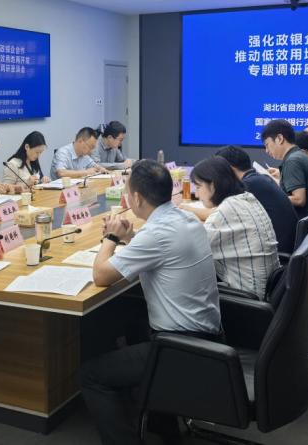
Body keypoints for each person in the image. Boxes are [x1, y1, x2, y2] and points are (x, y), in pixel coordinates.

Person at [81, 160, 222, 445]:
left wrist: (111, 237)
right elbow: (161, 249)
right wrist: (130, 237)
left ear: (136, 198)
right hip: (209, 336)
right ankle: (161, 422)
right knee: (129, 321)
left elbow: (101, 276)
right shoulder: (185, 219)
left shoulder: (155, 234)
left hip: (180, 347)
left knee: (90, 375)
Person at [190, 157, 280, 296]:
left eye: (198, 186)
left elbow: (191, 252)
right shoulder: (247, 198)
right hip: (267, 290)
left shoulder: (224, 212)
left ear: (213, 185)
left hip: (246, 299)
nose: (196, 194)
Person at [214, 145, 299, 253]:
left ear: (230, 169)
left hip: (277, 252)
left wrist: (191, 209)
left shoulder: (247, 185)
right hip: (287, 246)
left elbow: (219, 214)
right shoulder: (261, 178)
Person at [261, 119, 308, 219]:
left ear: (280, 138)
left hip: (301, 222)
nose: (267, 151)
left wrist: (272, 198)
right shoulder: (299, 155)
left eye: (267, 145)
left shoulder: (292, 161)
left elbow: (299, 199)